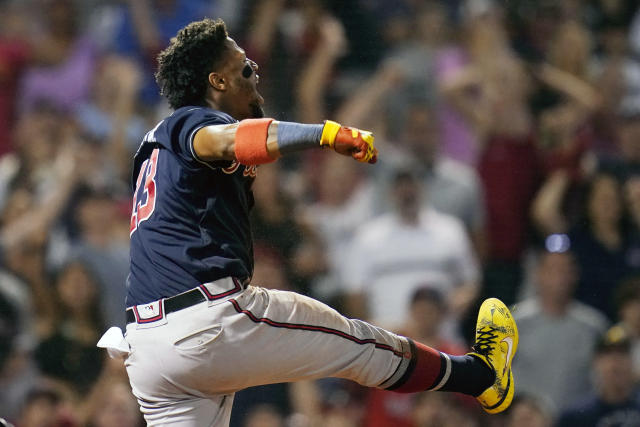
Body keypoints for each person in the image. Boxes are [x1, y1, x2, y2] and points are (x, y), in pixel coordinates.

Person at [97, 18, 518, 426]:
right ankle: (480, 374)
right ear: (217, 82)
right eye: (243, 65)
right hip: (206, 325)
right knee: (358, 345)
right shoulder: (195, 121)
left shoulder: (153, 147)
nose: (254, 69)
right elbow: (229, 140)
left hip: (147, 348)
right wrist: (325, 133)